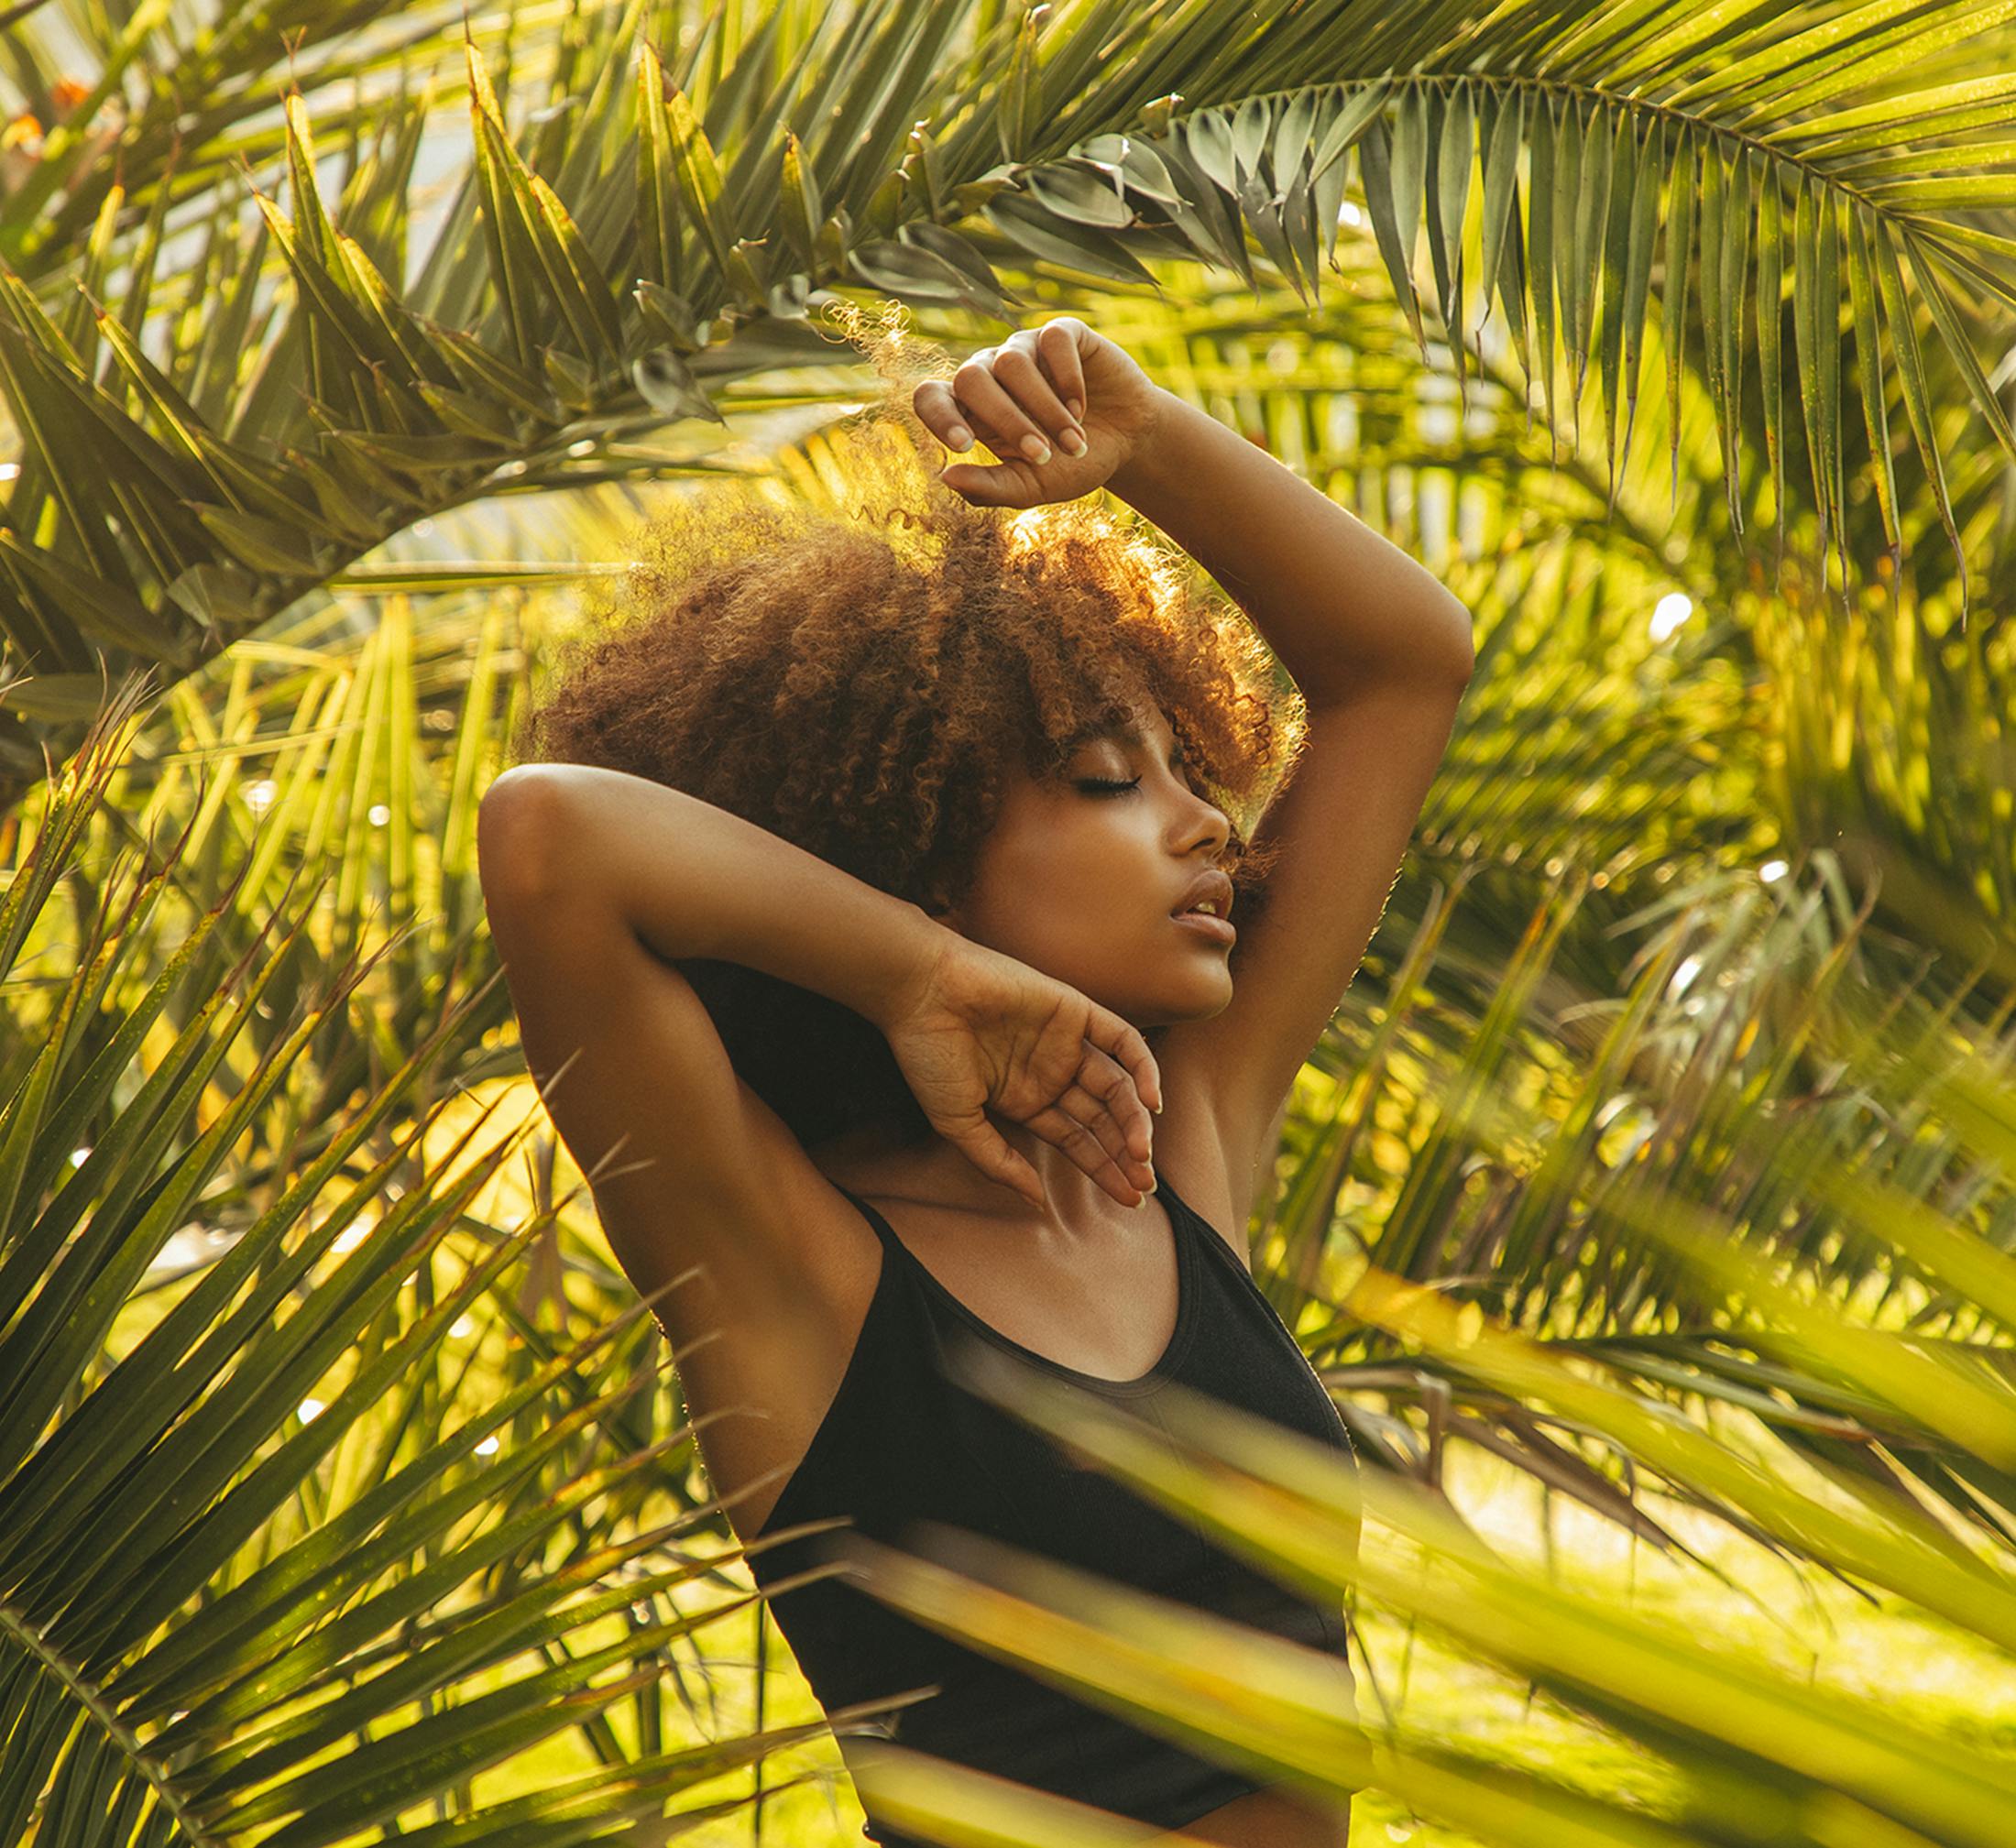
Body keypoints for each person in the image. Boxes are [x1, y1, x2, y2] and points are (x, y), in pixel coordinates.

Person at [477, 312, 1474, 1845]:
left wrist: (1146, 447)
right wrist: (918, 975)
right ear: (911, 852)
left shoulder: (1175, 1149)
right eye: (1104, 781)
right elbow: (550, 840)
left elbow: (1405, 666)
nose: (1209, 825)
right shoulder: (793, 1270)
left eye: (1193, 774)